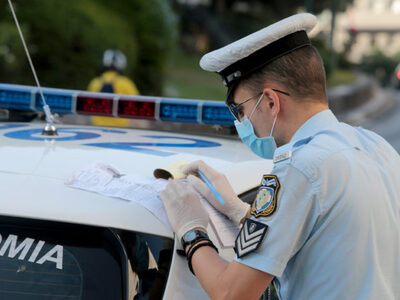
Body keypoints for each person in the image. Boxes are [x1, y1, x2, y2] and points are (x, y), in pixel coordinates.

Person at [160, 13, 400, 300]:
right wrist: (239, 212)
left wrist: (191, 230)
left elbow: (231, 293)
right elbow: (322, 235)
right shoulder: (377, 147)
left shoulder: (299, 168)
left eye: (240, 110)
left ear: (271, 101)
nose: (242, 123)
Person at [87, 49, 140, 127]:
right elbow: (139, 105)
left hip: (97, 126)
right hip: (121, 128)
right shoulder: (126, 83)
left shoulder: (94, 83)